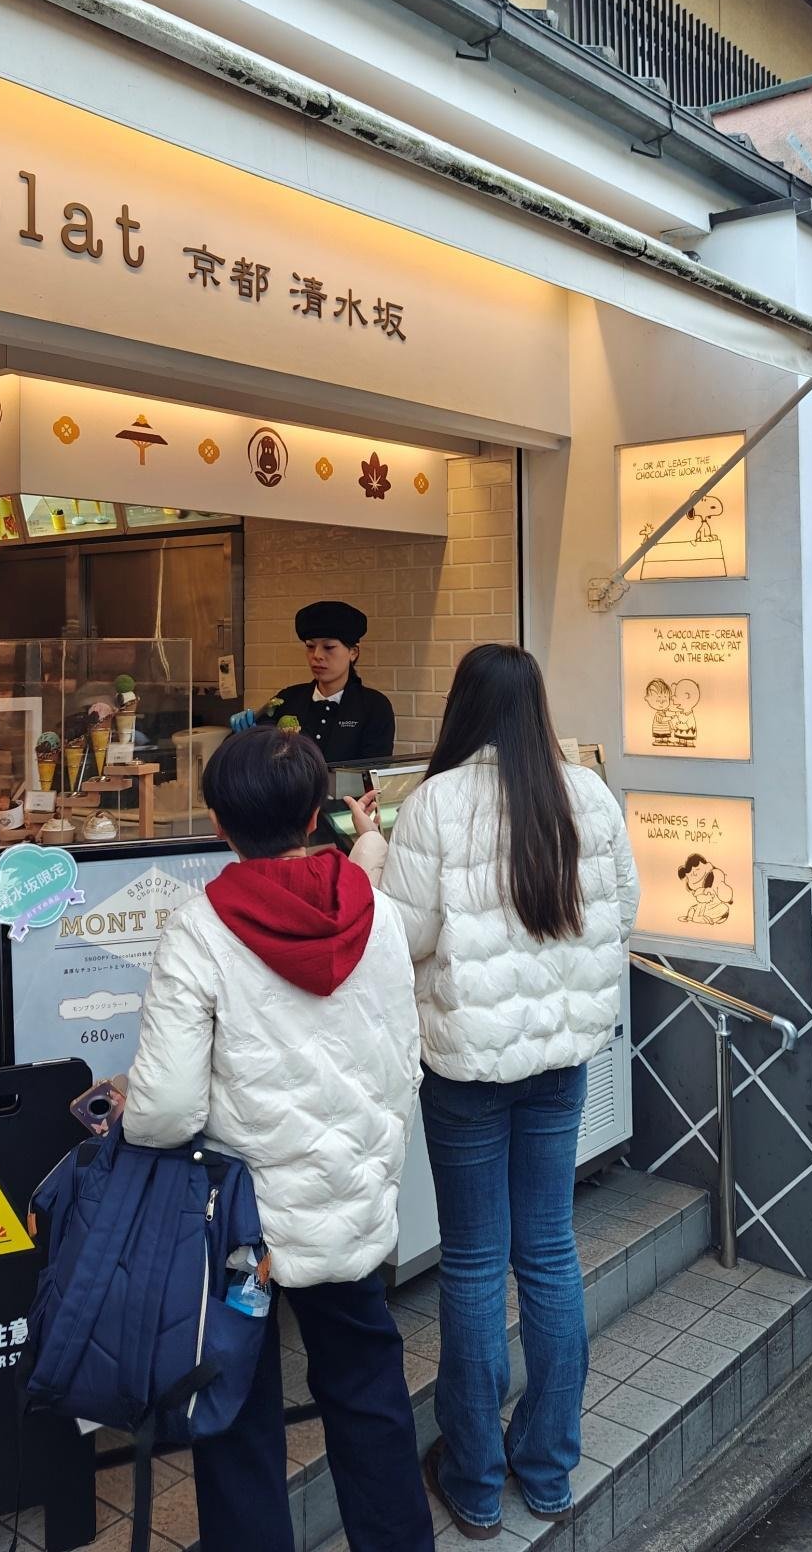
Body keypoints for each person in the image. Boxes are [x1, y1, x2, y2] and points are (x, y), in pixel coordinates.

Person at [347, 644, 640, 1539]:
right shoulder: (586, 794)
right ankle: (548, 1465)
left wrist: (367, 847)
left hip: (468, 1068)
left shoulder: (433, 804)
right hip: (560, 1062)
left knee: (475, 1266)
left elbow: (404, 937)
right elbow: (621, 910)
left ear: (464, 710)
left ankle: (473, 1481)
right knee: (548, 1253)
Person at [123, 727, 432, 1552]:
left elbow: (164, 1114)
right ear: (313, 814)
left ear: (218, 822)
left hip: (238, 1231)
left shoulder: (198, 928)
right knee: (369, 1393)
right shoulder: (380, 914)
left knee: (235, 1417)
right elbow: (407, 1057)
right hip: (352, 1200)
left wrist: (120, 1101)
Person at [230, 600, 395, 762]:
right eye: (310, 646)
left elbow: (374, 772)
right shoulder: (287, 699)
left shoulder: (374, 707)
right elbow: (258, 757)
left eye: (329, 647)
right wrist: (245, 736)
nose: (316, 655)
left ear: (353, 652)